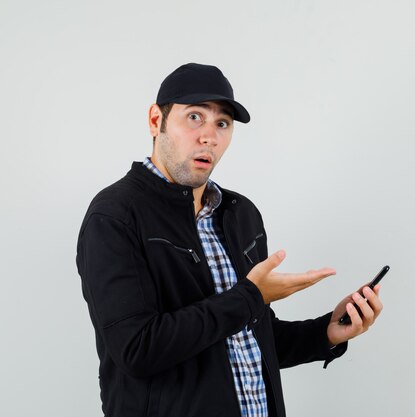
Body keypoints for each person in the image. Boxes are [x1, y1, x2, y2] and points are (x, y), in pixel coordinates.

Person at [76, 63, 383, 417]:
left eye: (222, 123)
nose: (209, 136)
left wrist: (326, 332)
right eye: (194, 117)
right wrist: (251, 296)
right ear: (155, 120)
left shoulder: (240, 215)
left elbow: (247, 338)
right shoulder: (114, 216)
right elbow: (137, 350)